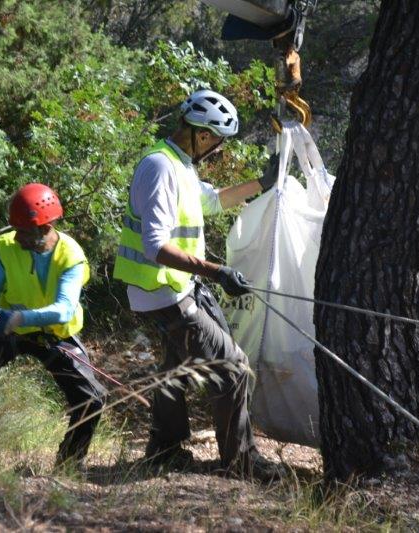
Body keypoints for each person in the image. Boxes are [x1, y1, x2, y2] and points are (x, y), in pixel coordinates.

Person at [113, 89, 280, 479]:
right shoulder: (159, 168)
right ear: (202, 135)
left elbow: (214, 200)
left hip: (175, 289)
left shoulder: (180, 165)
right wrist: (216, 272)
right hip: (164, 293)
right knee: (234, 368)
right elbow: (156, 245)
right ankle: (241, 463)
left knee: (176, 370)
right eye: (217, 142)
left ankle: (163, 451)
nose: (218, 150)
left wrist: (263, 181)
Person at [0, 183, 106, 468]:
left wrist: (21, 318)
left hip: (51, 334)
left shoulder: (71, 257)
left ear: (45, 227)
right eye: (16, 229)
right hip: (8, 330)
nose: (17, 236)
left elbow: (63, 310)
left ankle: (68, 464)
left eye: (24, 231)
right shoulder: (8, 246)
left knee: (92, 399)